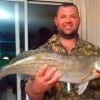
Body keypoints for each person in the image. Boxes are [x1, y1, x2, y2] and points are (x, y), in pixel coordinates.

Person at [25, 3, 100, 100]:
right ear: (56, 21)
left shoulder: (96, 52)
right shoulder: (41, 53)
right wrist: (36, 89)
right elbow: (32, 94)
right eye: (63, 17)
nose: (68, 20)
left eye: (73, 16)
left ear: (79, 20)